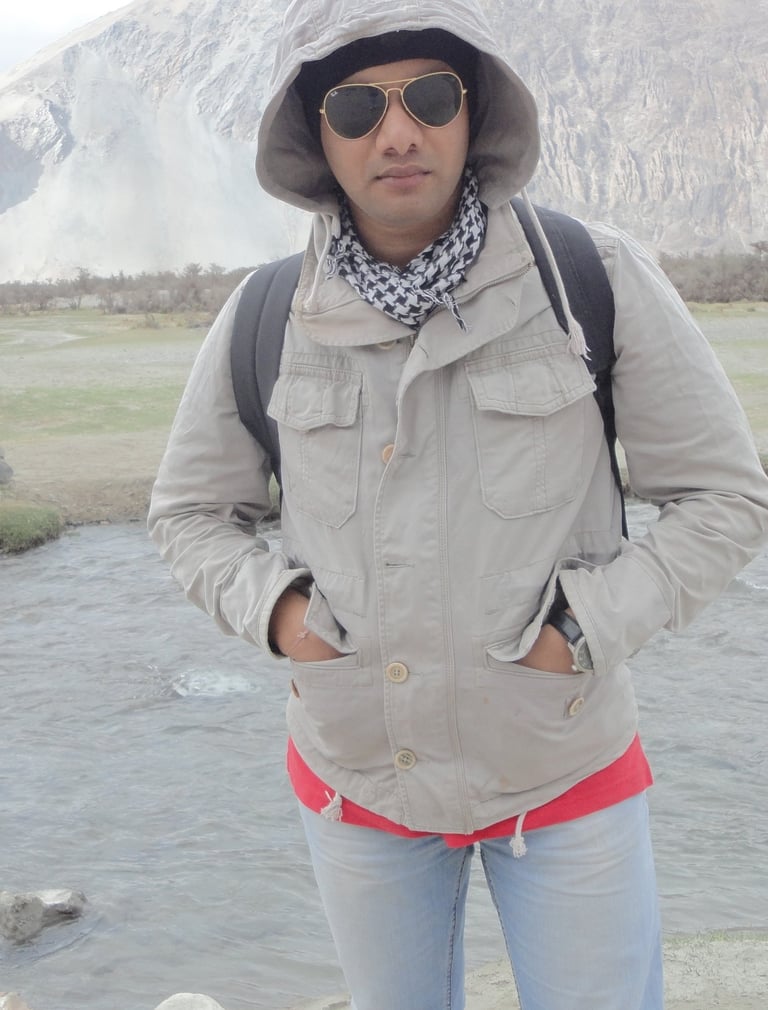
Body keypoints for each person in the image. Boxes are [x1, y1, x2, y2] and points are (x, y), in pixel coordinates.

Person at [148, 1, 768, 1007]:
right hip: (357, 779)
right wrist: (282, 616)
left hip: (564, 765)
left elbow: (724, 496)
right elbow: (187, 513)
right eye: (357, 108)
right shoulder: (263, 315)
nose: (398, 133)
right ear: (316, 134)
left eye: (429, 97)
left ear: (475, 112)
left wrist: (582, 628)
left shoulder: (589, 280)